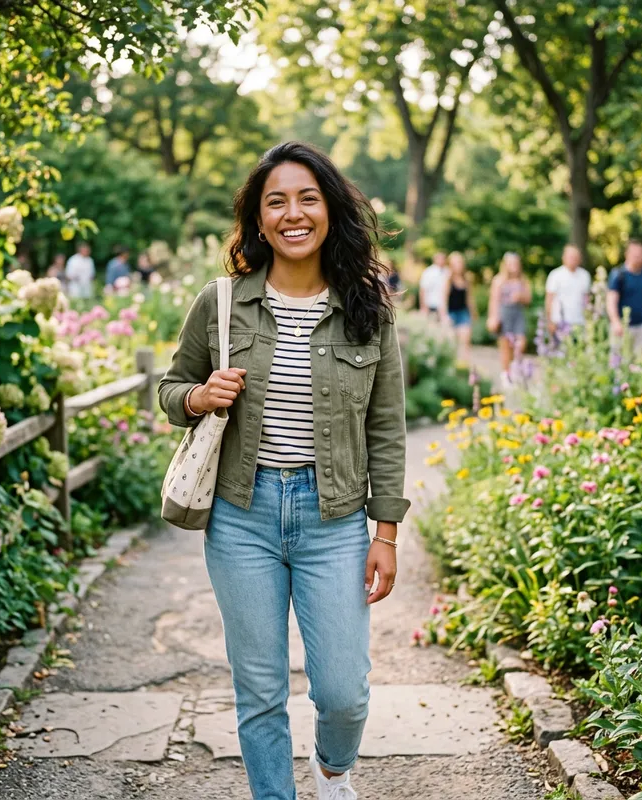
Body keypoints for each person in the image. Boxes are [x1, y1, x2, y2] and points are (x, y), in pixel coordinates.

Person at [158, 141, 409, 800]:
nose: (293, 213)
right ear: (258, 218)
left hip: (335, 521)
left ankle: (332, 772)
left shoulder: (367, 308)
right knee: (260, 690)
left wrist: (385, 534)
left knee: (343, 692)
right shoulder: (222, 302)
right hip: (243, 517)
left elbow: (385, 428)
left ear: (330, 209)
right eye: (276, 201)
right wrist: (197, 396)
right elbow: (170, 388)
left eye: (307, 198)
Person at [487, 251, 532, 387]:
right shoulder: (499, 280)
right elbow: (494, 300)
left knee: (520, 343)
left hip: (518, 313)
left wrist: (521, 297)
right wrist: (493, 317)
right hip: (504, 314)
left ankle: (515, 369)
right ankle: (506, 374)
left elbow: (529, 300)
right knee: (505, 346)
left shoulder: (523, 280)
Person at [606, 239, 642, 358]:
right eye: (635, 255)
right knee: (620, 362)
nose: (638, 257)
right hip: (623, 327)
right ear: (627, 255)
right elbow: (611, 300)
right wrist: (616, 322)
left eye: (640, 254)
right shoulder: (618, 275)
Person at [545, 244, 591, 333]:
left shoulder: (585, 275)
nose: (573, 259)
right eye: (570, 256)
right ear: (564, 257)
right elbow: (549, 300)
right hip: (559, 322)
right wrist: (549, 321)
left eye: (575, 257)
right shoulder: (555, 275)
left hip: (580, 322)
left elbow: (586, 300)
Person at [440, 251, 476, 364]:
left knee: (465, 340)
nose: (458, 266)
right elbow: (443, 300)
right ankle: (453, 365)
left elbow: (469, 298)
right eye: (455, 263)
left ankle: (465, 364)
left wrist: (474, 313)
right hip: (451, 313)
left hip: (463, 313)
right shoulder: (448, 280)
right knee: (452, 341)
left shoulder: (466, 280)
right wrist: (444, 316)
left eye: (459, 263)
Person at [418, 251, 447, 319]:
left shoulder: (447, 271)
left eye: (443, 259)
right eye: (439, 258)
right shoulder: (428, 272)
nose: (442, 261)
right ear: (435, 259)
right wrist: (423, 306)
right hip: (431, 304)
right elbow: (423, 290)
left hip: (444, 305)